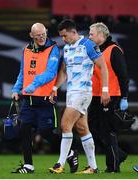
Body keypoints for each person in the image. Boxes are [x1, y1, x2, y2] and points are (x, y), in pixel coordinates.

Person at [11, 22, 78, 173]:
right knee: (25, 131)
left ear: (46, 32)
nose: (41, 38)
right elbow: (23, 72)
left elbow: (51, 73)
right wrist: (16, 89)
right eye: (37, 36)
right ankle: (28, 166)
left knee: (46, 132)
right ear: (31, 35)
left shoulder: (53, 49)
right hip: (28, 99)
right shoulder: (26, 50)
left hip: (45, 99)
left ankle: (70, 152)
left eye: (43, 34)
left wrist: (34, 85)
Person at [48, 19, 110, 174]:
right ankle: (93, 167)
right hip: (71, 92)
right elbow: (63, 71)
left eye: (64, 36)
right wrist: (55, 87)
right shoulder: (67, 48)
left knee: (65, 124)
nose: (63, 39)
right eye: (61, 37)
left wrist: (105, 89)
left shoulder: (88, 45)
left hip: (82, 92)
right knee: (82, 129)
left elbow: (103, 67)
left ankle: (60, 164)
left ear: (73, 32)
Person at [88, 22, 129, 173]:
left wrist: (124, 97)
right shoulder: (95, 50)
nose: (89, 36)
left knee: (107, 131)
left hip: (111, 96)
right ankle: (119, 154)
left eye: (91, 34)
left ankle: (113, 167)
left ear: (101, 35)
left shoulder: (114, 50)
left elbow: (123, 75)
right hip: (95, 96)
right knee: (91, 129)